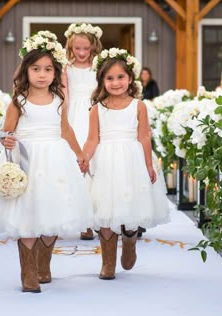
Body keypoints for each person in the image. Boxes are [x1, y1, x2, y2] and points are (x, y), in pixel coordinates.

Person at [0, 31, 93, 293]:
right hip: (27, 160)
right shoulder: (18, 101)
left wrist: (79, 153)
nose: (42, 74)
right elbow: (6, 132)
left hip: (56, 159)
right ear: (26, 71)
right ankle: (29, 273)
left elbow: (65, 129)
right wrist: (7, 140)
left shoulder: (59, 100)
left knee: (52, 210)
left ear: (56, 73)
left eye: (48, 69)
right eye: (36, 69)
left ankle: (44, 264)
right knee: (28, 214)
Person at [82, 48, 169, 280]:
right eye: (109, 78)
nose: (116, 82)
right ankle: (107, 262)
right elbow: (92, 139)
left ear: (130, 79)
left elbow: (144, 137)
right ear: (102, 81)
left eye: (120, 77)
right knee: (105, 209)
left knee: (130, 205)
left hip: (131, 160)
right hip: (105, 161)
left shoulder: (138, 106)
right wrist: (84, 158)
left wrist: (149, 165)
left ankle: (130, 240)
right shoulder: (96, 109)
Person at [62, 22, 103, 241]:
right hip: (74, 115)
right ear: (70, 47)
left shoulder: (98, 67)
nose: (81, 53)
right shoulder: (65, 68)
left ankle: (97, 216)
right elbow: (64, 94)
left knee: (96, 162)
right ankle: (82, 220)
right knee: (75, 163)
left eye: (86, 49)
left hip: (94, 111)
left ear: (93, 47)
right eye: (77, 48)